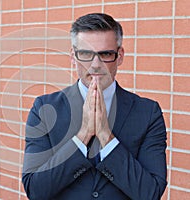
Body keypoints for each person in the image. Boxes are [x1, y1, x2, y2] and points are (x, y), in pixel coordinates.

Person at [22, 13, 167, 200]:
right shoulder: (44, 108)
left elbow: (151, 193)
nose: (96, 65)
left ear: (119, 56)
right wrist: (83, 135)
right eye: (85, 54)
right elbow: (35, 190)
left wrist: (107, 137)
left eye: (106, 54)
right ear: (73, 57)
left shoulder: (148, 113)